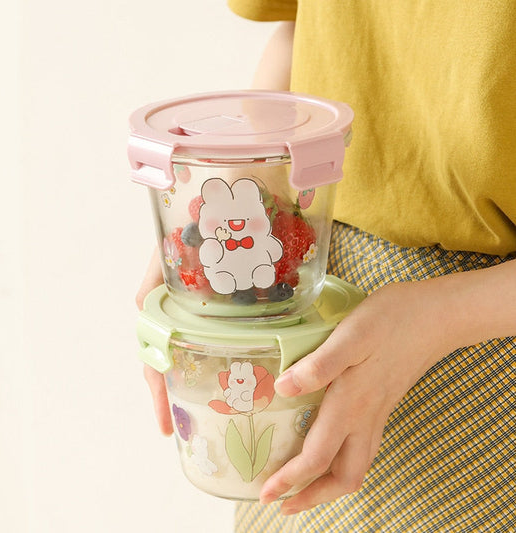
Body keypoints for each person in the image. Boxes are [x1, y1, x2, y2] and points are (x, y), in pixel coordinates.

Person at [136, 2, 516, 531]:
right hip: (306, 295)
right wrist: (233, 212)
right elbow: (298, 32)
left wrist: (442, 317)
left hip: (489, 354)